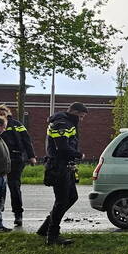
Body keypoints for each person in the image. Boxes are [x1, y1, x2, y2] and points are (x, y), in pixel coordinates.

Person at [37, 102, 88, 246]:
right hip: (59, 166)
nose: (82, 119)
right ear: (74, 112)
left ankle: (46, 228)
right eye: (81, 116)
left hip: (65, 165)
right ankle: (52, 235)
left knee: (72, 197)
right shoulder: (61, 124)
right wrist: (79, 154)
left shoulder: (67, 123)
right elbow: (62, 147)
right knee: (62, 201)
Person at [0, 105, 37, 227]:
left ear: (8, 114)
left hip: (15, 161)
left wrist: (31, 156)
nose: (0, 116)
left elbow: (26, 140)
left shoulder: (16, 125)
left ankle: (18, 214)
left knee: (14, 187)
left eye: (3, 113)